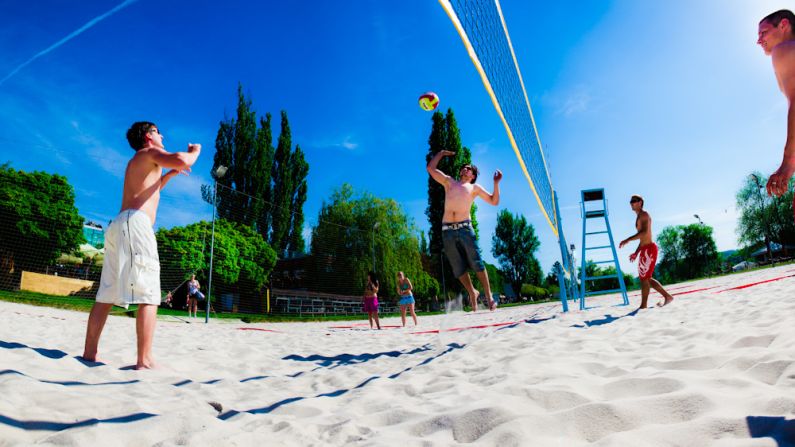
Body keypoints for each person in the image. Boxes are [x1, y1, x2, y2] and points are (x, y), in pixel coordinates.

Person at [82, 121, 201, 369]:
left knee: (106, 294)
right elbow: (181, 159)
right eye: (158, 131)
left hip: (120, 225)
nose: (162, 134)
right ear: (148, 137)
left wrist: (169, 175)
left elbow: (151, 190)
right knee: (149, 293)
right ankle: (144, 359)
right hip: (135, 225)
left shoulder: (142, 162)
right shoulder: (148, 153)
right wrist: (194, 152)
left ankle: (89, 353)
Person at [427, 150, 501, 312]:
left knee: (477, 262)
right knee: (458, 268)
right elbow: (431, 169)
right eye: (464, 167)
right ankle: (472, 292)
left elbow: (494, 201)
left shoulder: (474, 187)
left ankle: (488, 297)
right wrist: (441, 154)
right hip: (447, 230)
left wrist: (496, 183)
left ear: (473, 175)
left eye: (469, 169)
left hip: (465, 228)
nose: (465, 169)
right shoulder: (449, 182)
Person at [758, 10, 795, 203]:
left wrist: (788, 163)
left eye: (762, 33)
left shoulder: (784, 49)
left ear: (783, 25)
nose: (758, 40)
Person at [619, 195, 674, 309]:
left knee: (645, 278)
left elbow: (644, 233)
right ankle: (666, 297)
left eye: (634, 201)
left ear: (640, 202)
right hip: (645, 249)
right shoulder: (639, 216)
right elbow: (642, 238)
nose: (631, 203)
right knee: (645, 278)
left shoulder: (644, 215)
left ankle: (644, 305)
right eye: (631, 201)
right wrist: (636, 252)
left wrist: (628, 240)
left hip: (649, 249)